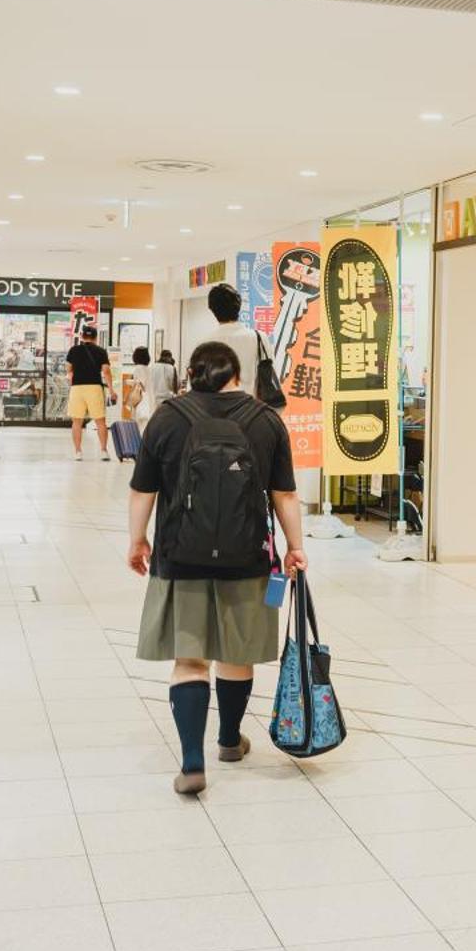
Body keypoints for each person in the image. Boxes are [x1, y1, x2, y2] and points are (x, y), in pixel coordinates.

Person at [127, 340, 306, 794]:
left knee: (190, 660)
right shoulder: (265, 420)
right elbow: (283, 494)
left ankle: (192, 763)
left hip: (179, 556)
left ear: (190, 374)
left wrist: (136, 540)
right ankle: (228, 739)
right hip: (248, 559)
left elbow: (143, 491)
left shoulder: (168, 418)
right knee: (236, 653)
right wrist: (294, 547)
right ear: (238, 376)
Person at [206, 284, 271, 399]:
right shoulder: (258, 338)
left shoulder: (205, 343)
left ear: (212, 309)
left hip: (216, 412)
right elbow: (271, 379)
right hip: (252, 411)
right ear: (239, 306)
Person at [64, 324, 113, 460]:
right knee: (100, 421)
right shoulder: (101, 351)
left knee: (77, 421)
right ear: (96, 337)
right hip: (94, 388)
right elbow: (107, 371)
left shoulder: (73, 350)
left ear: (81, 336)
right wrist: (112, 390)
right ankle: (103, 451)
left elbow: (68, 369)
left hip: (77, 388)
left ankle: (78, 452)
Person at [122, 346, 150, 419]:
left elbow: (138, 383)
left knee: (137, 420)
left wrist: (126, 382)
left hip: (139, 398)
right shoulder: (148, 369)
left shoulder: (138, 368)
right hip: (148, 397)